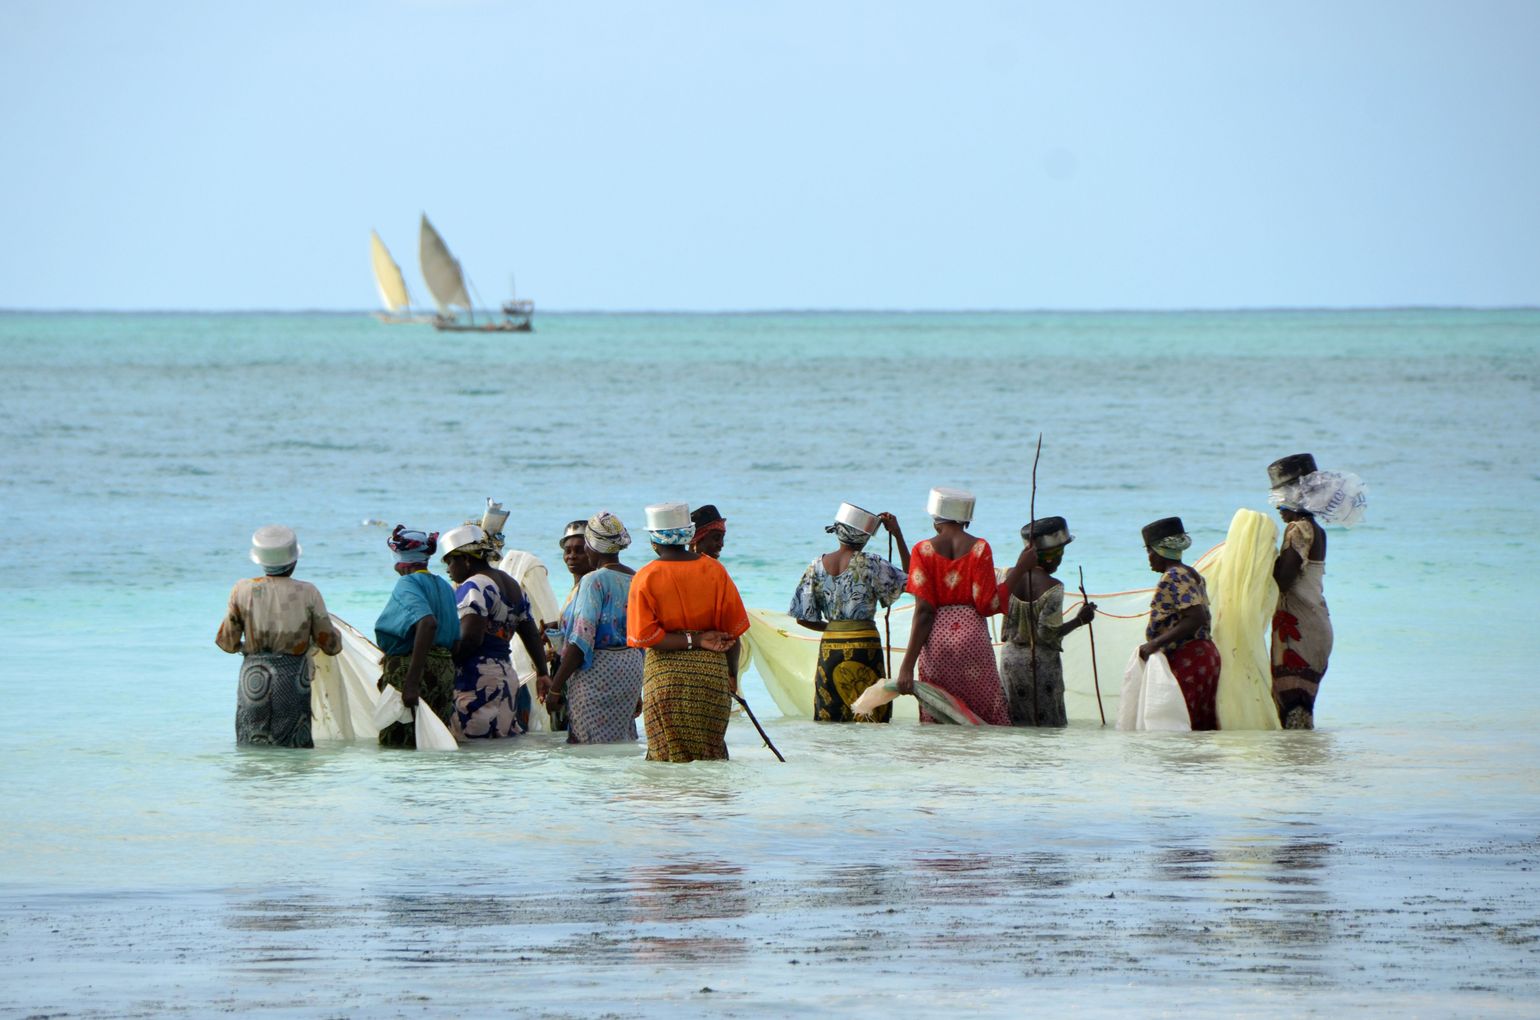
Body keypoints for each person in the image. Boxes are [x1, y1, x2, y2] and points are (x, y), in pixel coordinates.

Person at [626, 502, 750, 761]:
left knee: (666, 760)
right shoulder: (715, 570)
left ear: (653, 540)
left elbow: (646, 637)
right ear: (687, 534)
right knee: (711, 757)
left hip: (665, 679)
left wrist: (692, 641)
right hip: (711, 678)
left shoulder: (645, 577)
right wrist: (731, 675)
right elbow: (732, 634)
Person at [216, 525, 342, 747]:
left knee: (252, 744)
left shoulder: (242, 589)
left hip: (253, 677)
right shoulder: (308, 591)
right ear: (293, 561)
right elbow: (330, 644)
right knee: (292, 747)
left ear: (260, 560)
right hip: (292, 678)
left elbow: (227, 642)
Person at [894, 487, 1010, 725]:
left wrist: (906, 666)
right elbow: (987, 604)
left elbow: (924, 612)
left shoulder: (922, 550)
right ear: (966, 520)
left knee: (939, 713)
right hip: (973, 638)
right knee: (984, 710)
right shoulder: (980, 548)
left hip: (937, 642)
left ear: (937, 519)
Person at [789, 503, 909, 722]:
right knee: (870, 717)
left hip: (830, 649)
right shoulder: (872, 563)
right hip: (865, 647)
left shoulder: (816, 565)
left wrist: (835, 629)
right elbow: (911, 577)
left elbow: (802, 617)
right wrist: (898, 534)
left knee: (831, 717)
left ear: (839, 531)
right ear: (864, 536)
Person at [544, 511, 646, 743]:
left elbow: (581, 640)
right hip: (631, 667)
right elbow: (642, 636)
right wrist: (637, 688)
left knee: (586, 744)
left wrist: (556, 688)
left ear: (591, 545)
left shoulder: (593, 580)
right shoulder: (638, 578)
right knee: (621, 740)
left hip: (598, 671)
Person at [441, 524, 549, 739]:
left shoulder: (474, 586)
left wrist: (444, 664)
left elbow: (471, 638)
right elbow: (529, 632)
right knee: (499, 745)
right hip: (507, 675)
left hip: (476, 677)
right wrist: (543, 673)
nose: (448, 570)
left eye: (450, 561)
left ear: (466, 559)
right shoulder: (512, 585)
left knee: (472, 747)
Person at [999, 516, 1097, 727]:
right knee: (1047, 726)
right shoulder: (1054, 588)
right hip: (1040, 663)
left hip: (1010, 659)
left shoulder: (1010, 576)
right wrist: (1080, 620)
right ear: (1053, 557)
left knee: (1015, 721)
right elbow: (1047, 634)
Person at [1267, 452, 1340, 729]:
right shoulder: (1317, 530)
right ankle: (1305, 767)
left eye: (1280, 499)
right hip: (1315, 623)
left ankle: (1296, 768)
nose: (1277, 508)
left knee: (1292, 712)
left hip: (1299, 629)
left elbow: (1282, 580)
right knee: (1301, 711)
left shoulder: (1298, 529)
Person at [374, 525, 460, 747]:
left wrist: (411, 682)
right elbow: (455, 640)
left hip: (412, 672)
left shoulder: (408, 583)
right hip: (443, 672)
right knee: (431, 742)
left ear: (400, 560)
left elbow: (427, 623)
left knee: (399, 744)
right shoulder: (445, 586)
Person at [1138, 516, 1221, 730]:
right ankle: (1199, 763)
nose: (1148, 557)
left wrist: (1154, 644)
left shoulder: (1174, 575)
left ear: (1160, 550)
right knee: (1200, 723)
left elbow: (1196, 617)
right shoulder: (1190, 573)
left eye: (1149, 551)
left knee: (1181, 723)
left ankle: (1184, 764)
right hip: (1204, 655)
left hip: (1190, 656)